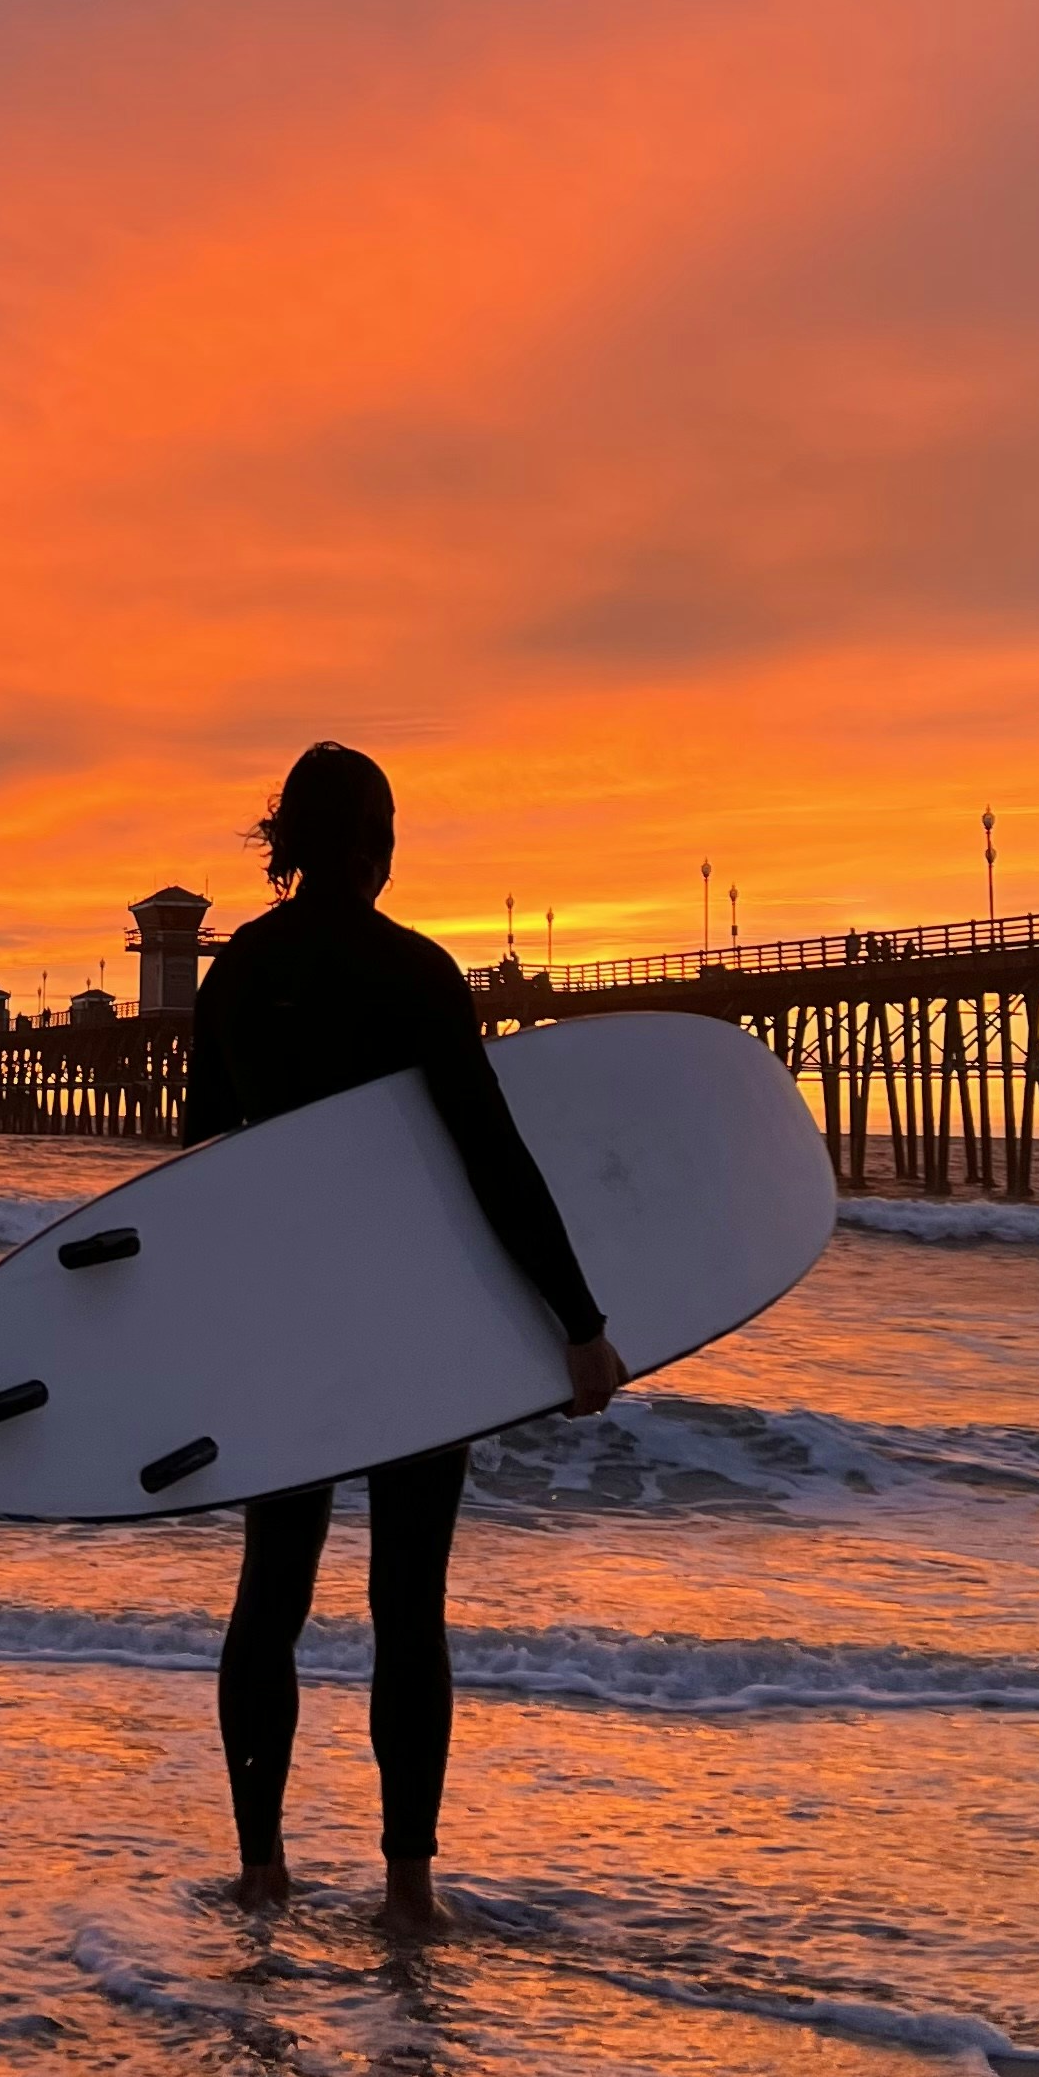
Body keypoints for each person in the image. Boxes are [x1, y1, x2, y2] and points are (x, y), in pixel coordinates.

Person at [183, 742, 626, 1935]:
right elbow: (491, 1157)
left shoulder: (239, 972)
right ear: (380, 842)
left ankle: (263, 1870)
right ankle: (408, 1888)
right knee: (406, 1601)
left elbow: (196, 1166)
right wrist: (578, 1323)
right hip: (411, 1320)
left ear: (286, 844)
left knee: (270, 1591)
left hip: (284, 1317)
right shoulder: (416, 973)